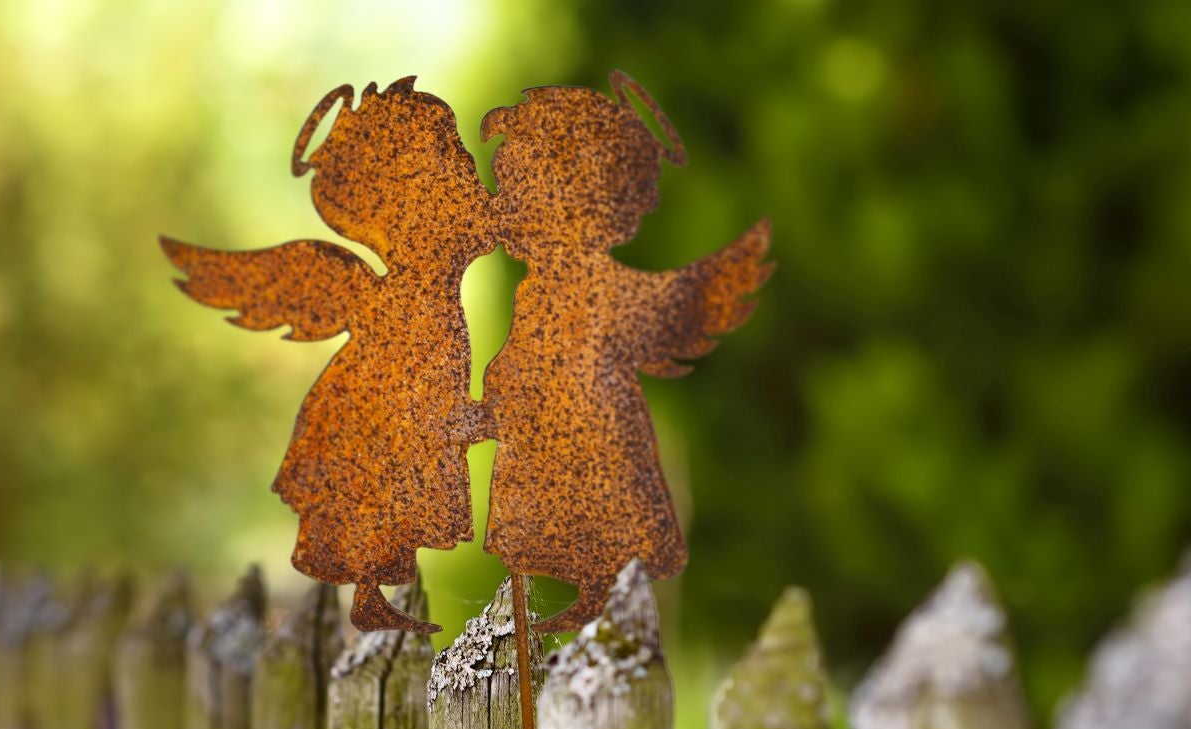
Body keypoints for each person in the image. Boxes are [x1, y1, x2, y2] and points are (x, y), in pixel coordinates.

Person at [163, 77, 493, 632]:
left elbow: (495, 225)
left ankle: (375, 591)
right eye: (450, 162)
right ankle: (370, 592)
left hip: (401, 403)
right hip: (371, 415)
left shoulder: (442, 254)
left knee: (392, 496)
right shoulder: (406, 303)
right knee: (378, 490)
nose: (464, 174)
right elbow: (422, 403)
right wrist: (470, 420)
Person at [480, 72, 772, 632]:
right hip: (546, 429)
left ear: (583, 205)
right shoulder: (535, 292)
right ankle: (593, 594)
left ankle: (602, 593)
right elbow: (524, 359)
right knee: (559, 510)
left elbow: (667, 308)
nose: (504, 210)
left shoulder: (601, 290)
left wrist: (711, 284)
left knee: (603, 508)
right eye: (507, 190)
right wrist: (496, 402)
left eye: (520, 194)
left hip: (595, 430)